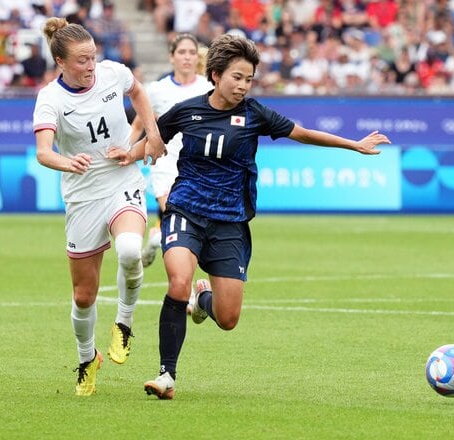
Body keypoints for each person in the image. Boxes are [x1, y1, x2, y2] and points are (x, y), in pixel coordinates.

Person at [138, 34, 391, 399]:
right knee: (177, 281)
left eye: (248, 78)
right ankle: (166, 376)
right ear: (215, 74)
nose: (243, 85)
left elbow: (302, 133)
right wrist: (124, 156)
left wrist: (354, 145)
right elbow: (151, 139)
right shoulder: (187, 110)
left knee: (227, 319)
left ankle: (203, 299)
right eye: (236, 77)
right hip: (185, 210)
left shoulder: (254, 114)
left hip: (230, 223)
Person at [32, 17, 166, 396]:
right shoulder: (50, 99)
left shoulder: (111, 74)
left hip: (122, 181)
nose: (91, 67)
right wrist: (66, 161)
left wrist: (150, 136)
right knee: (83, 295)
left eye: (93, 57)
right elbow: (44, 152)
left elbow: (139, 93)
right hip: (82, 196)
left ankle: (123, 324)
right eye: (81, 61)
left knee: (128, 250)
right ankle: (87, 358)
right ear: (60, 62)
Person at [129, 33, 213, 269]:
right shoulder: (156, 90)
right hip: (164, 163)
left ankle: (157, 237)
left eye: (191, 52)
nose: (187, 57)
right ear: (171, 57)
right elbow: (138, 125)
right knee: (177, 218)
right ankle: (185, 291)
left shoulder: (208, 88)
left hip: (199, 166)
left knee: (189, 226)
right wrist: (126, 153)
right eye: (182, 52)